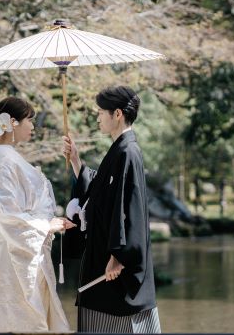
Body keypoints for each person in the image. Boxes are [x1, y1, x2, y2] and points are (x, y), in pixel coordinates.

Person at [0, 96, 76, 332]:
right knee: (26, 319)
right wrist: (47, 225)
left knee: (30, 318)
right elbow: (7, 214)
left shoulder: (7, 160)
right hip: (21, 254)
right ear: (13, 123)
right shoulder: (4, 162)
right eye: (30, 121)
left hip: (30, 251)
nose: (33, 127)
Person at [62, 86, 161, 333]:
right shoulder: (119, 150)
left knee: (116, 320)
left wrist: (119, 256)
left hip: (114, 263)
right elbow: (101, 191)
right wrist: (76, 160)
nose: (97, 118)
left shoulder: (128, 152)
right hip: (106, 256)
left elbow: (129, 208)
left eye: (100, 112)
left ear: (117, 114)